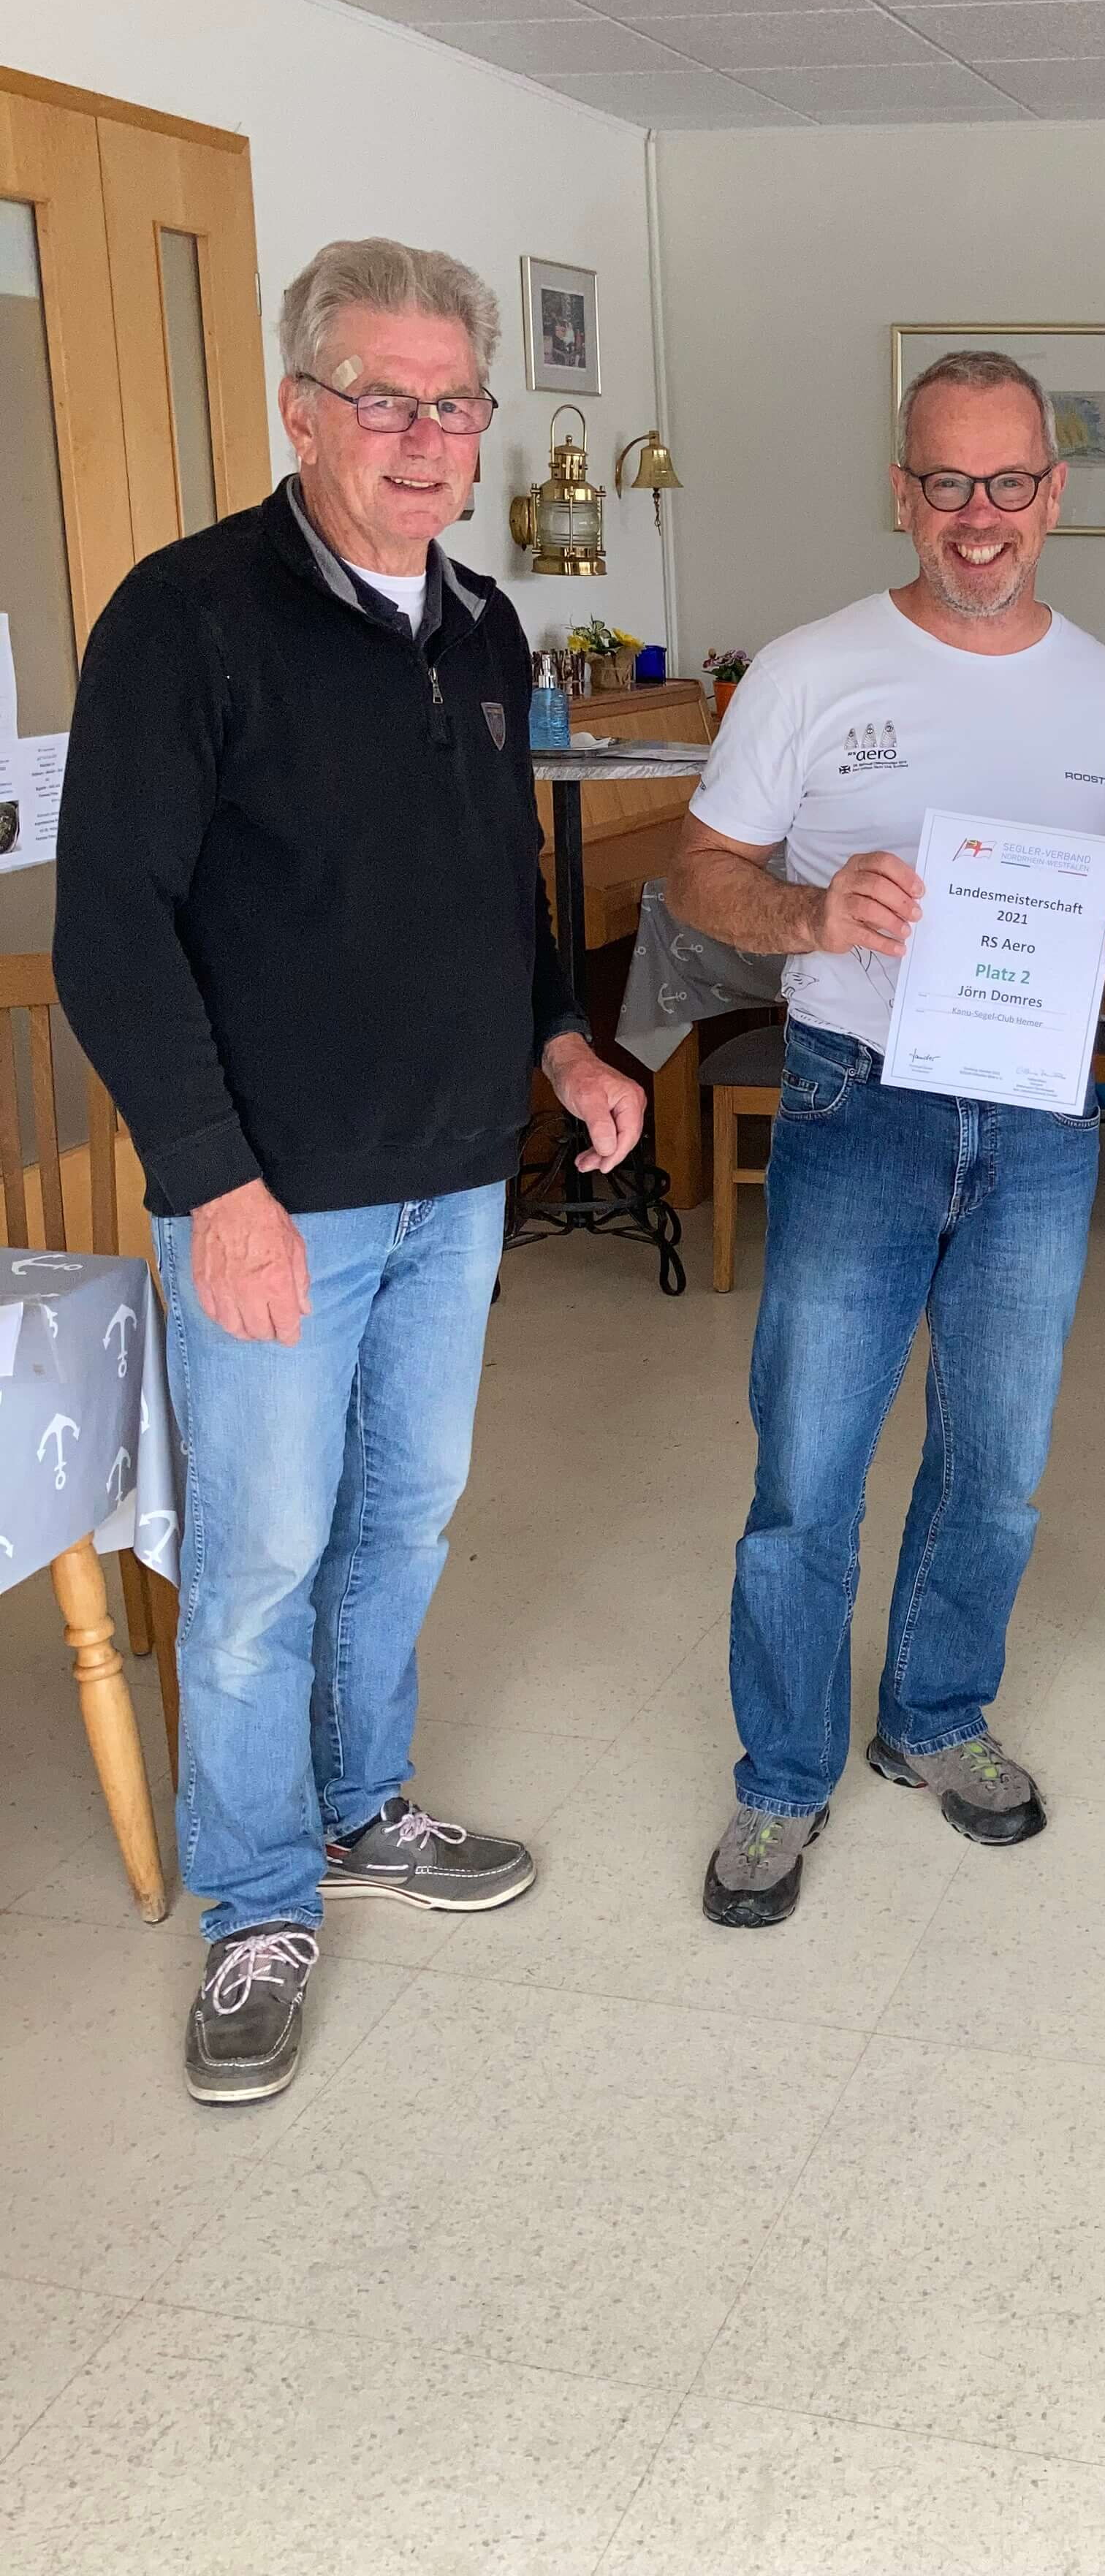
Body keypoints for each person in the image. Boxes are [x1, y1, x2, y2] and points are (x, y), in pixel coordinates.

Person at [54, 237, 644, 2101]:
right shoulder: (187, 618)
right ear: (302, 409)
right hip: (272, 1200)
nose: (423, 434)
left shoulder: (480, 625)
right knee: (256, 1564)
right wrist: (214, 1185)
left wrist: (561, 1041)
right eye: (384, 398)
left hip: (454, 1182)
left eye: (453, 403)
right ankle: (255, 1907)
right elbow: (110, 933)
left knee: (401, 1521)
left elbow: (494, 886)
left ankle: (361, 1803)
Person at [669, 352, 1105, 1926]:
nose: (978, 516)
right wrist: (813, 911)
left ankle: (938, 1714)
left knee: (998, 1466)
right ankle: (781, 1776)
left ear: (1053, 496)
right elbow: (700, 875)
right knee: (807, 1467)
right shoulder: (811, 672)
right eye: (946, 483)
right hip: (856, 1100)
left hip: (1039, 1121)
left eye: (1008, 482)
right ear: (902, 493)